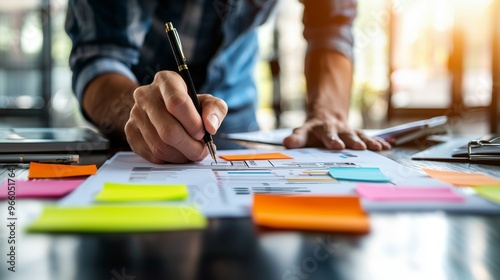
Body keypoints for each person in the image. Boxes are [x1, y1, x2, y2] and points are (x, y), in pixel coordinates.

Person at [65, 0, 390, 164]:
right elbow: (100, 56)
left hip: (238, 125)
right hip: (135, 136)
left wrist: (328, 114)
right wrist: (137, 111)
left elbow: (330, 25)